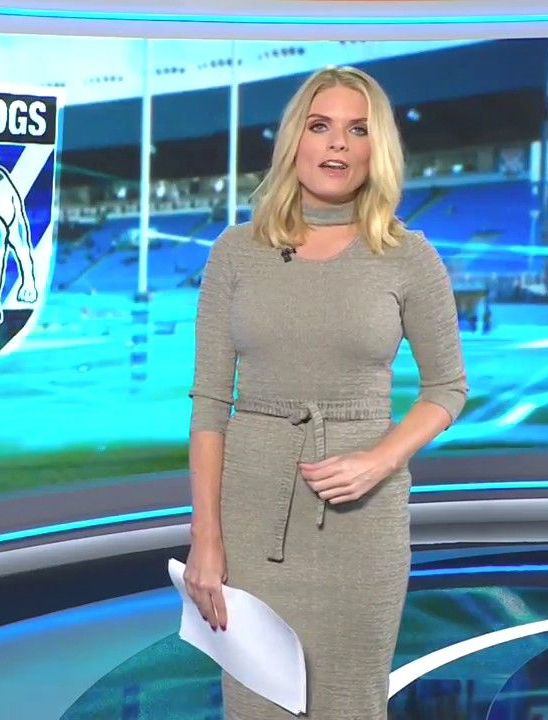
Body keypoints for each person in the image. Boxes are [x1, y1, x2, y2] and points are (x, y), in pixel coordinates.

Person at [183, 66, 468, 719]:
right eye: (321, 126)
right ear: (296, 140)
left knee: (350, 704)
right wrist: (206, 537)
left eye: (358, 130)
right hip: (251, 522)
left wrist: (379, 459)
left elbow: (447, 387)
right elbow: (209, 405)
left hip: (361, 528)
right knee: (255, 707)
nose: (338, 143)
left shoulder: (408, 256)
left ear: (376, 149)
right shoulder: (235, 252)